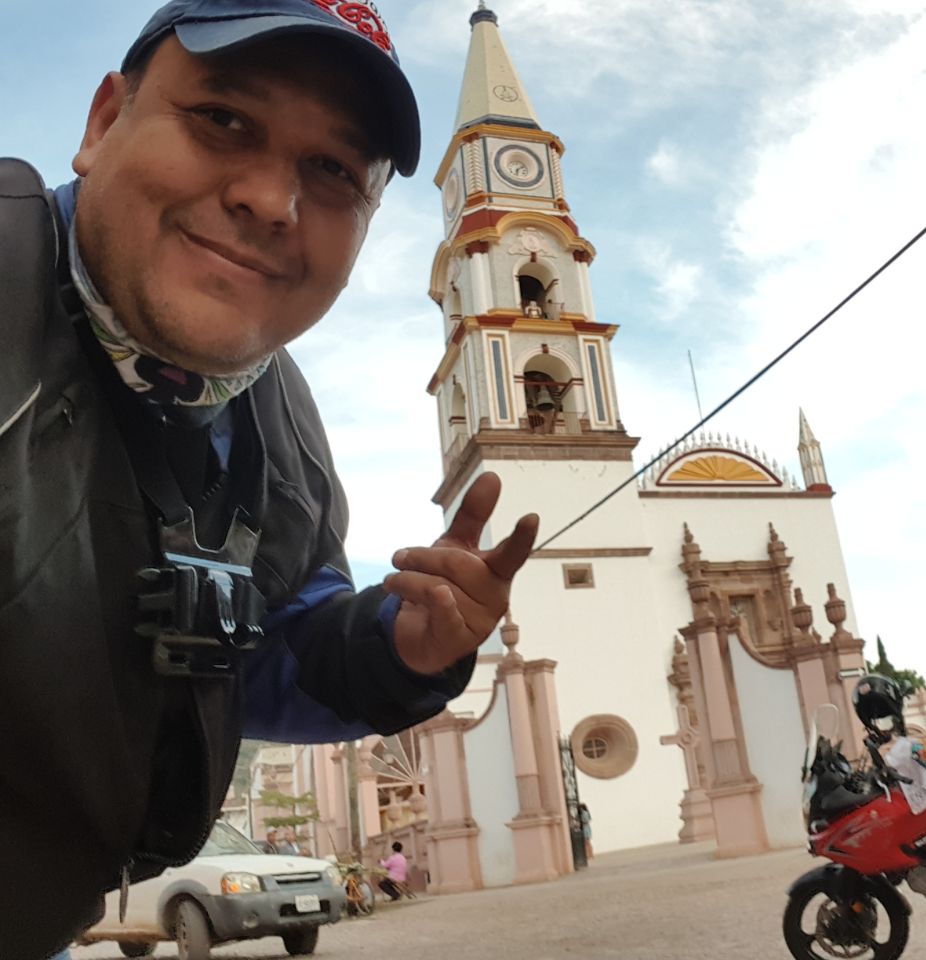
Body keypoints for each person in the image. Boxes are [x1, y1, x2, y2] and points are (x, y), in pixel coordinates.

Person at [0, 3, 538, 957]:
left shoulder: (278, 432)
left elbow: (262, 645)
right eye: (223, 120)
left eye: (332, 170)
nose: (270, 198)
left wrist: (400, 648)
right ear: (102, 123)